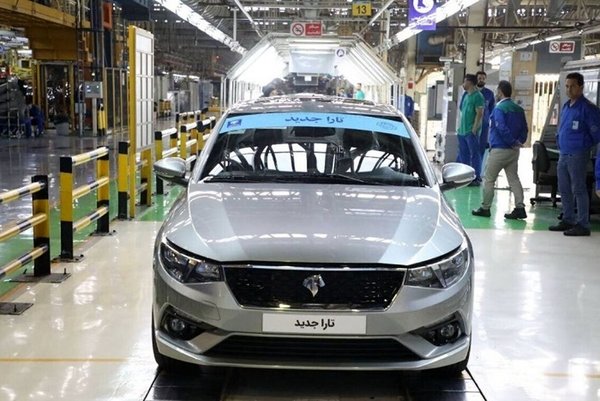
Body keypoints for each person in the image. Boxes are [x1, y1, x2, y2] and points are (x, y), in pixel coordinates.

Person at [549, 72, 600, 236]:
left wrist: (582, 145)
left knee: (578, 189)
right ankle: (568, 218)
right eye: (566, 86)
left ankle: (583, 224)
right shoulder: (566, 106)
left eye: (572, 86)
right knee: (564, 188)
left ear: (581, 87)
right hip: (563, 153)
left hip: (578, 154)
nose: (569, 89)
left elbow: (596, 134)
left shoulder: (588, 109)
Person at [472, 80, 528, 219]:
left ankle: (485, 208)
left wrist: (511, 141)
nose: (496, 94)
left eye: (497, 91)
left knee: (489, 179)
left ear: (500, 92)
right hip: (514, 151)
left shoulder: (499, 109)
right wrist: (518, 143)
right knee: (514, 179)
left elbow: (501, 127)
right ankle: (520, 207)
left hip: (499, 150)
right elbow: (525, 129)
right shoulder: (519, 109)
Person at [458, 73, 485, 185]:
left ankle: (476, 177)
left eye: (464, 81)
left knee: (474, 155)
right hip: (462, 131)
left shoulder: (478, 96)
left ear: (469, 82)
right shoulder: (466, 96)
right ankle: (466, 177)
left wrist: (474, 129)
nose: (463, 84)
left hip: (470, 132)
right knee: (464, 155)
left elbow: (479, 114)